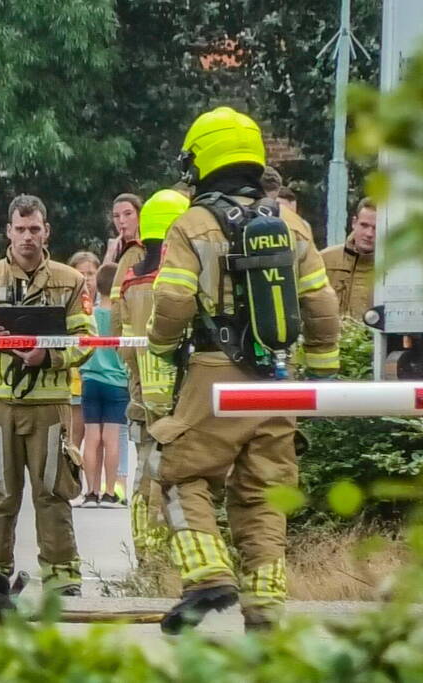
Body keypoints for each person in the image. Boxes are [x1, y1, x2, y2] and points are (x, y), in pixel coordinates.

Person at [147, 106, 339, 632]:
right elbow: (322, 310)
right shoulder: (295, 227)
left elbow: (172, 305)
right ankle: (266, 609)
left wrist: (161, 348)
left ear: (204, 158)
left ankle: (207, 575)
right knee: (263, 493)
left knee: (176, 474)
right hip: (280, 378)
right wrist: (321, 377)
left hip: (214, 372)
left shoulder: (191, 225)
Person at [0, 194, 96, 596]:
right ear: (8, 231)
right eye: (20, 229)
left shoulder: (71, 280)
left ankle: (63, 578)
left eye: (34, 229)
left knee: (53, 493)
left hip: (50, 404)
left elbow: (87, 340)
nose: (27, 237)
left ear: (46, 231)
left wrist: (48, 354)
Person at [116, 188, 191, 562]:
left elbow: (123, 344)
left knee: (144, 480)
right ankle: (172, 561)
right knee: (177, 482)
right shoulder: (179, 280)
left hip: (140, 400)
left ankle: (146, 558)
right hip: (182, 403)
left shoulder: (130, 278)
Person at [75, 263, 129, 508]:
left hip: (90, 380)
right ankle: (110, 491)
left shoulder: (92, 316)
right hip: (116, 382)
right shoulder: (121, 316)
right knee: (112, 439)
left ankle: (91, 491)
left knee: (91, 438)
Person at [321, 197, 376, 320]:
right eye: (364, 225)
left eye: (376, 228)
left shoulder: (392, 270)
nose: (369, 234)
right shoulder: (324, 260)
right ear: (354, 223)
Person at [66, 251, 100, 452]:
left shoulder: (105, 307)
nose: (86, 279)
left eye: (90, 273)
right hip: (76, 382)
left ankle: (96, 482)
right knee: (74, 439)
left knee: (98, 442)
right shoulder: (69, 306)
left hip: (101, 381)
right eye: (81, 273)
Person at [103, 193, 142, 265]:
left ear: (139, 215)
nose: (121, 220)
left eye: (128, 214)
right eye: (116, 216)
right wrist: (109, 255)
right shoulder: (114, 249)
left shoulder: (150, 246)